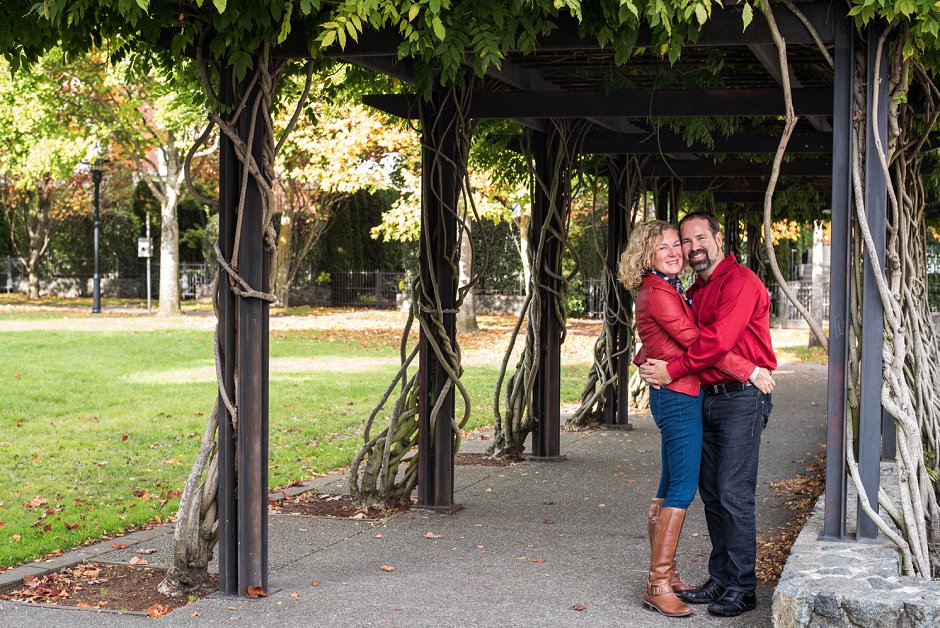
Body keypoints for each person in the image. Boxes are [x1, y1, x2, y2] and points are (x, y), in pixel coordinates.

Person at [618, 220, 773, 618]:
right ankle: (682, 579)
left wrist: (749, 372)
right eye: (675, 243)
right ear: (647, 255)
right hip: (694, 396)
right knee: (698, 488)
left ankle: (738, 586)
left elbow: (710, 343)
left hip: (734, 397)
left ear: (719, 239)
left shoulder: (737, 282)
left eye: (689, 240)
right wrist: (653, 362)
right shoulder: (674, 290)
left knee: (725, 490)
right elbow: (678, 338)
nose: (683, 249)